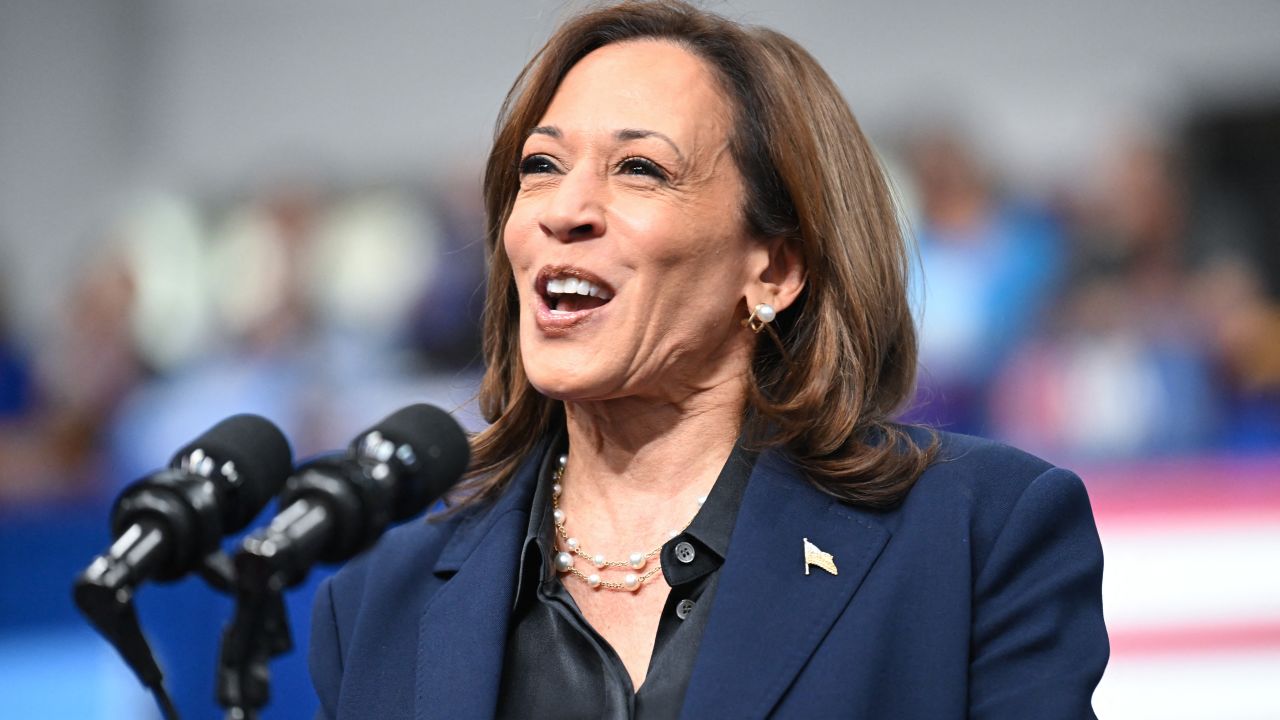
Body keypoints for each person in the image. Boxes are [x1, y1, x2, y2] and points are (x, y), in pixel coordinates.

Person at [308, 2, 1108, 718]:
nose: (565, 211)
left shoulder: (976, 535)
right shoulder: (379, 605)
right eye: (540, 166)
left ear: (775, 269)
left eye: (640, 170)